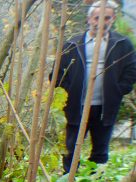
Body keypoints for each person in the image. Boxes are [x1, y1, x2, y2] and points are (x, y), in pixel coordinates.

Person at [52, 0, 136, 173]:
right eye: (97, 18)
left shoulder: (122, 44)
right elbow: (56, 74)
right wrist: (69, 92)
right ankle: (69, 179)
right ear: (89, 19)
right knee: (71, 148)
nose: (101, 22)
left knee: (100, 150)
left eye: (106, 18)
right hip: (77, 106)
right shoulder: (73, 45)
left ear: (112, 19)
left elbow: (132, 69)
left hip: (105, 107)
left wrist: (120, 89)